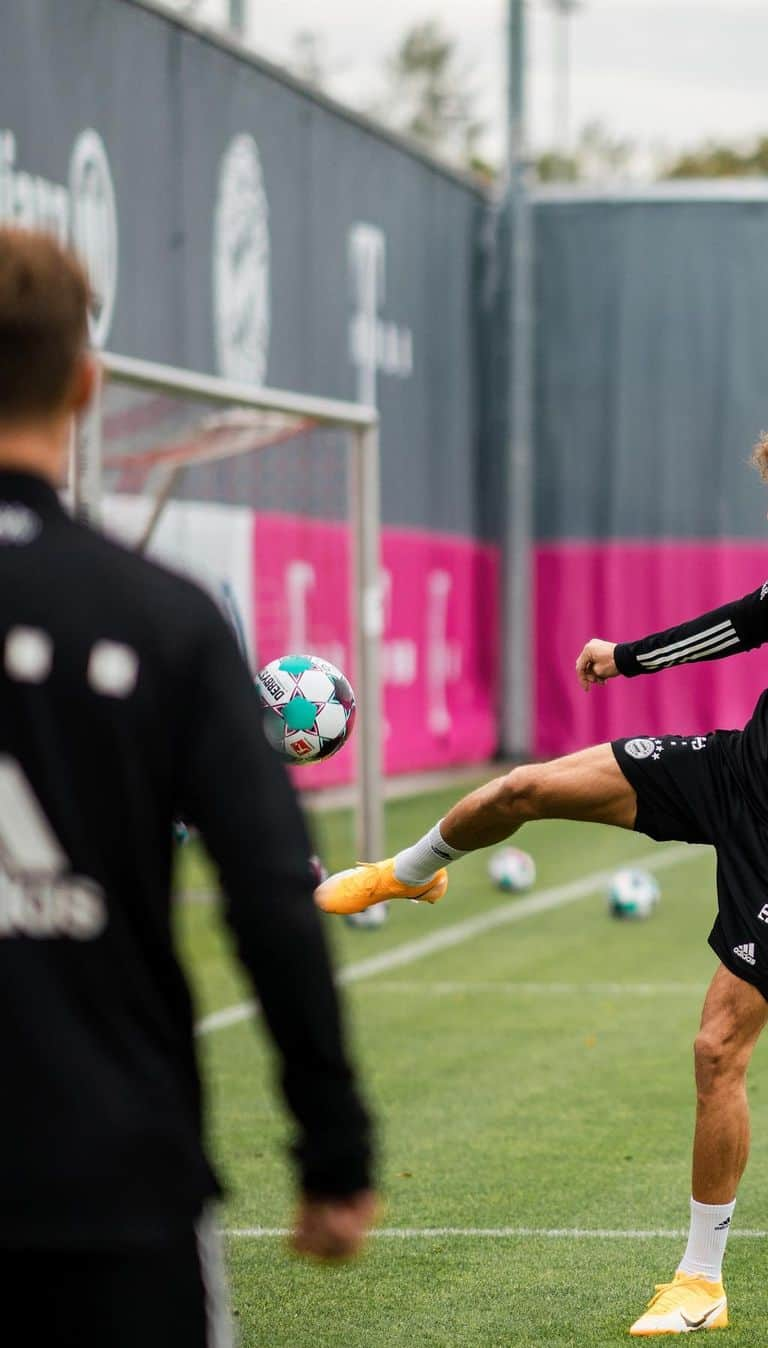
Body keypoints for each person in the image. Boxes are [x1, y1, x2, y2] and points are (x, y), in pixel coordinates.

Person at [317, 410, 768, 1334]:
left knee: (717, 1051)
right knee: (524, 787)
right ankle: (411, 870)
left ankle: (701, 1282)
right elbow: (741, 626)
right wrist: (623, 658)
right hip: (732, 772)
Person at [0, 226, 377, 1347]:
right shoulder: (163, 617)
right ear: (85, 381)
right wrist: (332, 1147)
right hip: (108, 1176)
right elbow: (272, 896)